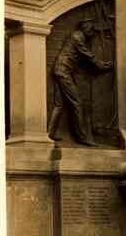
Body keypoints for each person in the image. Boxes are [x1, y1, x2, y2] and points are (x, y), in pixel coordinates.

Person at [48, 18, 112, 146]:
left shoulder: (76, 36)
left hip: (59, 70)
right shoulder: (78, 37)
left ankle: (49, 133)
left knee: (59, 104)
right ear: (86, 29)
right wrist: (103, 66)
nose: (92, 33)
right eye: (91, 30)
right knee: (76, 103)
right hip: (63, 71)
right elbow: (88, 56)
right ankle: (82, 137)